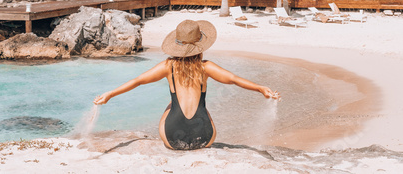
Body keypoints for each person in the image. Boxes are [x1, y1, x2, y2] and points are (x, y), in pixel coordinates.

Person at [94, 19, 280, 150]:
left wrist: (110, 94)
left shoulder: (168, 66)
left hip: (172, 139)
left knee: (171, 105)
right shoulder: (205, 67)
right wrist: (260, 88)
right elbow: (233, 79)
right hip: (205, 139)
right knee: (203, 108)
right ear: (200, 45)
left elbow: (138, 81)